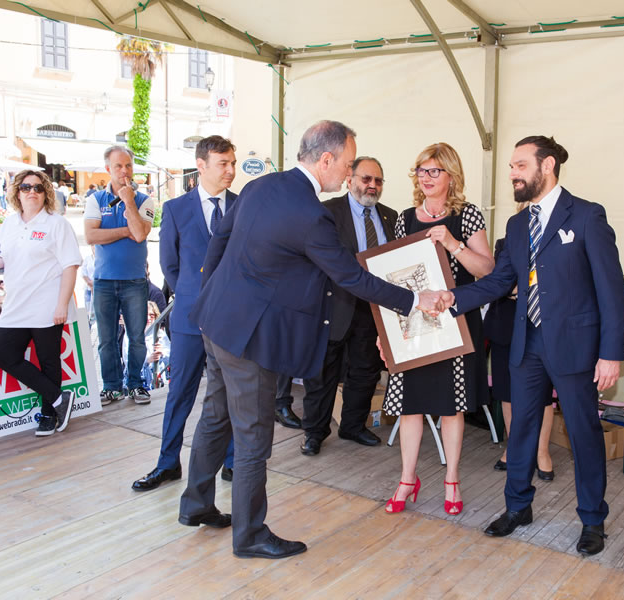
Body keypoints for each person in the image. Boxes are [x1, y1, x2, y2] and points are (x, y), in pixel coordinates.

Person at [179, 120, 445, 561]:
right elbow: (351, 277)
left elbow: (219, 242)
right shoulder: (311, 214)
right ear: (325, 160)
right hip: (251, 338)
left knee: (215, 415)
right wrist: (415, 299)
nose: (348, 172)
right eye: (347, 163)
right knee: (253, 436)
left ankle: (196, 504)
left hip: (218, 321)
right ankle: (249, 534)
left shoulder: (260, 186)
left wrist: (211, 294)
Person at [438, 136, 624, 557]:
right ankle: (517, 507)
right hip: (527, 343)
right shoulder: (517, 225)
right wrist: (454, 298)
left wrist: (611, 353)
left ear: (548, 165)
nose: (512, 174)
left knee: (583, 432)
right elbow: (500, 281)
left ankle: (592, 520)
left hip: (576, 347)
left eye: (520, 165)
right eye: (510, 166)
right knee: (520, 429)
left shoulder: (588, 216)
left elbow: (611, 290)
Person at [381, 142, 494, 516]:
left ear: (451, 175)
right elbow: (394, 277)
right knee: (409, 406)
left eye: (434, 171)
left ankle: (452, 480)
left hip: (456, 325)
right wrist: (386, 334)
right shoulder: (404, 218)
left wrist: (453, 243)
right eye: (421, 170)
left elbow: (487, 271)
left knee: (451, 407)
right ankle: (406, 479)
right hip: (414, 325)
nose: (426, 178)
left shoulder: (467, 215)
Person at [132, 136, 238, 493]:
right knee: (180, 393)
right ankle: (167, 463)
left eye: (233, 162)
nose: (231, 170)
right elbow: (170, 265)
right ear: (201, 165)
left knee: (230, 392)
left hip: (231, 320)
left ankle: (232, 460)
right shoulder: (176, 208)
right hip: (190, 318)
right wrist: (196, 297)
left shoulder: (242, 206)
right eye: (223, 163)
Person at [299, 156, 397, 456]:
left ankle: (353, 426)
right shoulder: (327, 212)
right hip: (333, 305)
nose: (372, 185)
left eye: (378, 180)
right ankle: (314, 433)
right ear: (350, 179)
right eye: (366, 179)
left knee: (366, 369)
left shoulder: (390, 216)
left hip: (372, 307)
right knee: (323, 372)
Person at [0, 170, 82, 436]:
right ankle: (59, 399)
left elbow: (70, 266)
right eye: (26, 187)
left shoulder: (57, 224)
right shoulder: (9, 224)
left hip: (47, 303)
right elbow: (5, 259)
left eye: (38, 187)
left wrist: (62, 304)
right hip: (17, 304)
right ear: (17, 192)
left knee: (49, 361)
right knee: (4, 356)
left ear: (46, 193)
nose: (32, 192)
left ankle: (49, 415)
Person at [84, 146, 156, 406]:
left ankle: (136, 384)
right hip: (103, 280)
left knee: (136, 338)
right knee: (106, 340)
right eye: (118, 166)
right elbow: (91, 235)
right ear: (108, 169)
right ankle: (112, 387)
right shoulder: (95, 199)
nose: (124, 171)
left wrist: (128, 201)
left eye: (128, 165)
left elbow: (141, 234)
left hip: (134, 280)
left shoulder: (144, 200)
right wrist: (126, 230)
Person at [486, 230, 555, 480]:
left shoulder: (554, 240)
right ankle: (514, 448)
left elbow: (556, 284)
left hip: (540, 328)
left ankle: (541, 451)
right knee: (507, 392)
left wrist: (519, 289)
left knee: (543, 394)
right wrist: (523, 288)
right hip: (505, 325)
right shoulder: (505, 243)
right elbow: (500, 282)